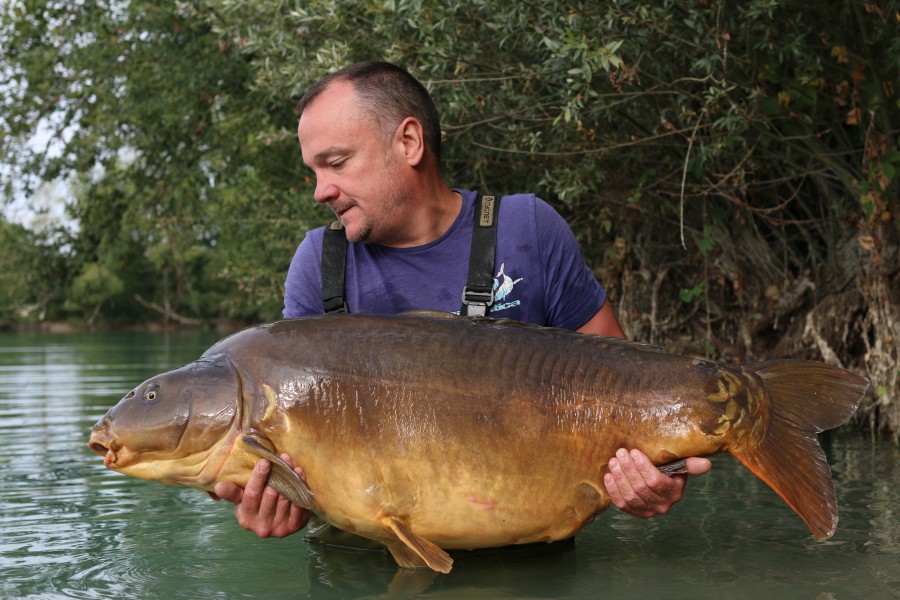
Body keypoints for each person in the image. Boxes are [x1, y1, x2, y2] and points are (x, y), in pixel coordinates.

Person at [212, 61, 711, 540]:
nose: (321, 191)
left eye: (336, 163)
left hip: (534, 565)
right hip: (362, 568)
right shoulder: (320, 263)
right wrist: (279, 502)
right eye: (314, 171)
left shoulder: (527, 230)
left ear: (408, 142)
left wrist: (652, 474)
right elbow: (293, 460)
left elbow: (626, 390)